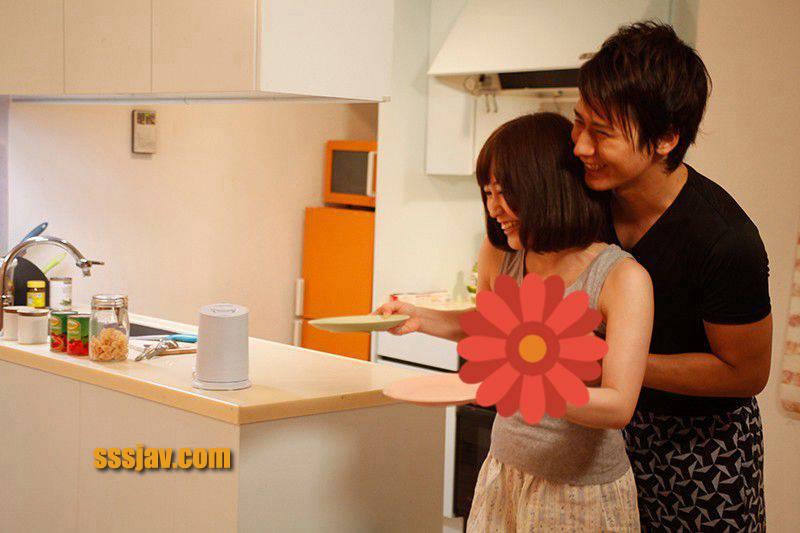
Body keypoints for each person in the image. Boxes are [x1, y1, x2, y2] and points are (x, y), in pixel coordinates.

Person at [378, 112, 653, 530]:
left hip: (580, 491)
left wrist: (527, 384)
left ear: (545, 185)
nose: (493, 208)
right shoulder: (502, 256)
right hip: (504, 470)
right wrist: (420, 318)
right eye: (488, 192)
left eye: (504, 192)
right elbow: (488, 328)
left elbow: (618, 405)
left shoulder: (621, 278)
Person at [571, 21, 772, 531]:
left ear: (665, 138)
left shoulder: (724, 239)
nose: (580, 147)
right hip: (605, 433)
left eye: (602, 133)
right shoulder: (585, 201)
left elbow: (746, 373)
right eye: (578, 123)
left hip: (703, 453)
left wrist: (618, 361)